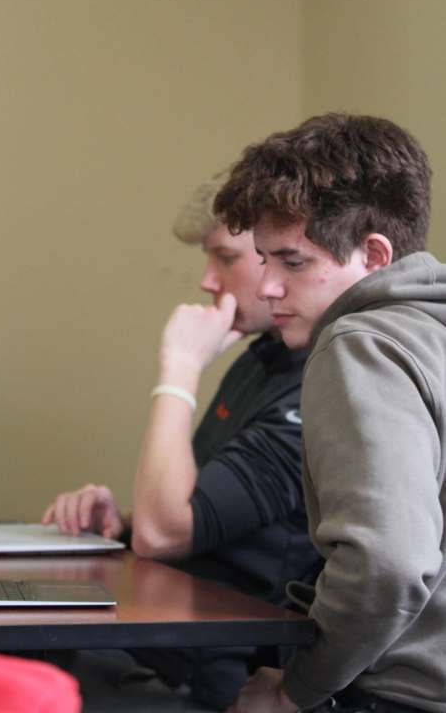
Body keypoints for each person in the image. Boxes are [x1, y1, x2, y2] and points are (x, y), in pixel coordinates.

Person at [42, 171, 320, 710]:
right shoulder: (262, 359)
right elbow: (178, 517)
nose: (208, 281)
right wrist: (119, 522)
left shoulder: (316, 383)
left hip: (207, 676)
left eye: (225, 257)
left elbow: (165, 532)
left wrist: (180, 367)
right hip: (155, 643)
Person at [211, 112, 446, 713]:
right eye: (262, 259)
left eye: (292, 261)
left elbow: (388, 561)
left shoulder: (358, 343)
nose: (266, 286)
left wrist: (297, 691)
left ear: (373, 255)